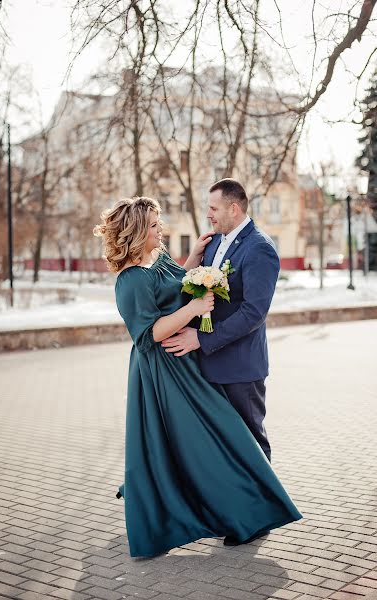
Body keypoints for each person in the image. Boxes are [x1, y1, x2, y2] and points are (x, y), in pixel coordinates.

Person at [94, 195, 301, 558]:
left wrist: (193, 263)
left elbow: (173, 284)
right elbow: (148, 333)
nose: (162, 230)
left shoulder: (156, 263)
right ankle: (228, 512)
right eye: (156, 226)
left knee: (221, 437)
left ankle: (247, 510)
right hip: (164, 375)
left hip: (186, 366)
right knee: (202, 445)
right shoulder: (129, 281)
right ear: (140, 231)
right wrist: (193, 307)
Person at [162, 179, 278, 466]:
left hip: (240, 368)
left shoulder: (259, 248)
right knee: (221, 445)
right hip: (209, 365)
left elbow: (254, 312)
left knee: (251, 445)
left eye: (213, 208)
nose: (208, 214)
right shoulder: (212, 244)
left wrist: (201, 339)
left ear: (234, 209)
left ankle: (264, 507)